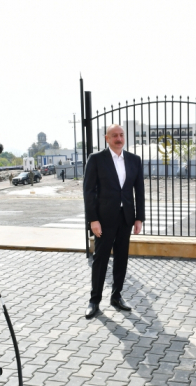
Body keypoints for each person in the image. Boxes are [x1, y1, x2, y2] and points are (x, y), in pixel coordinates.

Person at [83, 124, 145, 319]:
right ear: (106, 138)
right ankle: (94, 300)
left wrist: (139, 217)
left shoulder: (134, 160)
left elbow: (139, 190)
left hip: (126, 217)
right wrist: (93, 219)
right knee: (100, 259)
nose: (119, 138)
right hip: (103, 218)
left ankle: (116, 296)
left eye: (121, 135)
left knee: (122, 257)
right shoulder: (96, 159)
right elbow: (88, 191)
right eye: (114, 135)